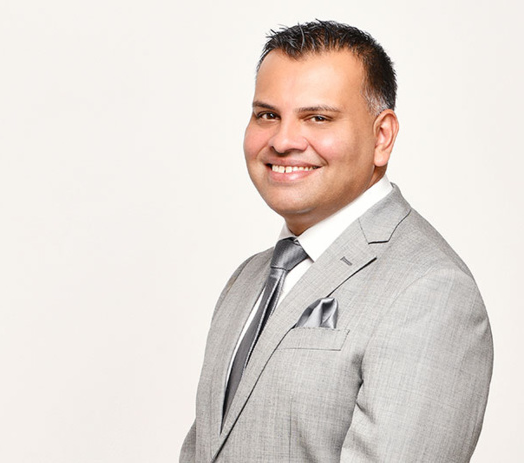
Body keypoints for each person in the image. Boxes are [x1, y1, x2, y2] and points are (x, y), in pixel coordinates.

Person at [180, 20, 493, 462]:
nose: (283, 141)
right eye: (267, 115)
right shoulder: (247, 280)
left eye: (318, 118)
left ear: (381, 137)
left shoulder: (431, 291)